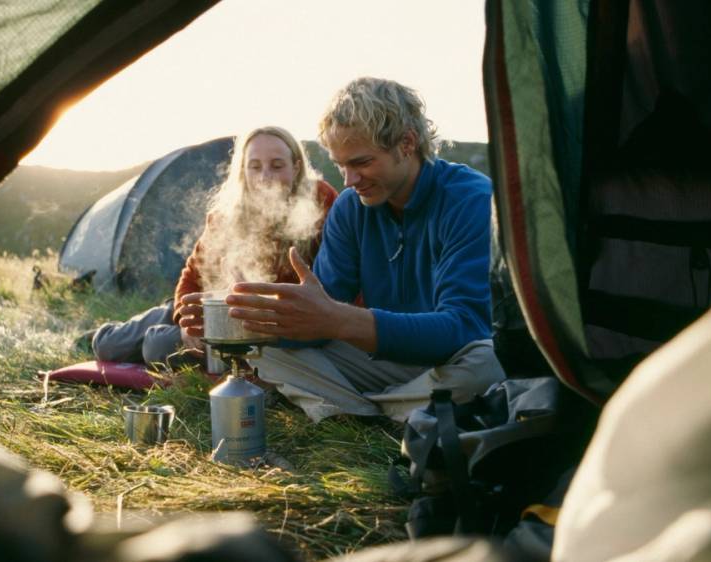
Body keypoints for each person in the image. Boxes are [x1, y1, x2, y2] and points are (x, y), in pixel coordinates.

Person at [195, 77, 506, 422]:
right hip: (382, 361)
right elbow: (319, 316)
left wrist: (340, 320)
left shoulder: (470, 200)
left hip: (447, 360)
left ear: (407, 143)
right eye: (341, 165)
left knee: (487, 362)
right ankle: (399, 411)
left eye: (361, 163)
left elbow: (463, 326)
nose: (349, 180)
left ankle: (360, 410)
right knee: (265, 353)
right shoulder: (350, 207)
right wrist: (264, 319)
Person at [92, 126, 337, 368]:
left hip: (255, 328)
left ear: (296, 167)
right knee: (108, 346)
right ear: (243, 171)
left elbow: (333, 287)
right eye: (255, 166)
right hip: (212, 306)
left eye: (277, 165)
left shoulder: (322, 203)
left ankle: (158, 339)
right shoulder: (228, 213)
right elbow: (192, 275)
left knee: (157, 346)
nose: (265, 177)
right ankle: (101, 334)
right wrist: (186, 323)